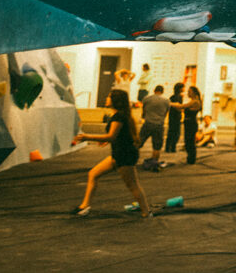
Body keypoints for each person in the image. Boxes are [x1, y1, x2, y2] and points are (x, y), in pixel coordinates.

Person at [71, 89, 152, 217]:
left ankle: (146, 212)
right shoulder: (121, 115)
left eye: (109, 97)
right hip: (119, 153)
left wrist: (88, 137)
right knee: (93, 174)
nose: (107, 98)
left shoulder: (119, 116)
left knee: (132, 185)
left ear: (116, 101)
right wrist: (104, 141)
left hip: (124, 155)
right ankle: (84, 206)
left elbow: (111, 136)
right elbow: (117, 136)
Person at [138, 85, 171, 169]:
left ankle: (131, 160)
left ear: (154, 90)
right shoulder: (166, 101)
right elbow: (166, 113)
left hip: (148, 123)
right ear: (162, 91)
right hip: (159, 125)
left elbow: (144, 111)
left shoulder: (146, 99)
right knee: (157, 146)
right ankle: (154, 163)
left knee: (139, 142)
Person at [170, 85, 202, 165]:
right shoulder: (193, 101)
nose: (188, 93)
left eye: (189, 92)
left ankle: (191, 159)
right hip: (189, 123)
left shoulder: (195, 101)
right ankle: (190, 158)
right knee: (188, 141)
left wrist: (170, 103)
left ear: (194, 93)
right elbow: (182, 109)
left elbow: (182, 106)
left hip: (191, 124)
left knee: (190, 142)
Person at [164, 82, 184, 153]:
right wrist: (182, 109)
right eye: (183, 87)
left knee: (170, 132)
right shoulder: (179, 97)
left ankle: (167, 147)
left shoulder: (172, 97)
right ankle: (173, 147)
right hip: (176, 117)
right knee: (176, 133)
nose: (184, 89)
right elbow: (179, 107)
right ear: (180, 88)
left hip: (171, 116)